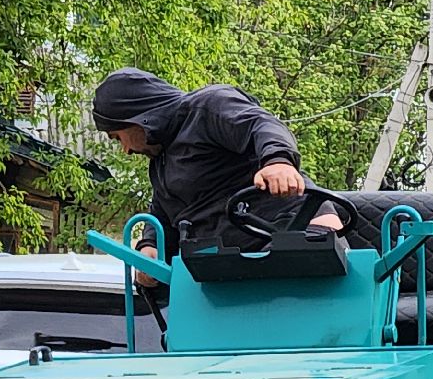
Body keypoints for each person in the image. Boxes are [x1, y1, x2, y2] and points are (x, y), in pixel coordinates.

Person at [92, 68, 341, 286]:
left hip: (297, 232)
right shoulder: (160, 164)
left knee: (278, 301)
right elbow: (162, 213)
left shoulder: (208, 107)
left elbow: (260, 124)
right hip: (229, 266)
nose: (125, 150)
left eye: (118, 137)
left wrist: (278, 161)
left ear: (137, 118)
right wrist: (150, 248)